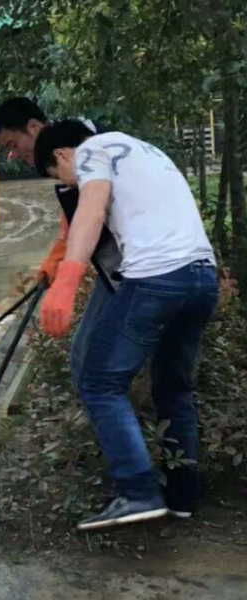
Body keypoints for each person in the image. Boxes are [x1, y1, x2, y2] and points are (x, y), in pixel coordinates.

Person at [34, 120, 219, 530]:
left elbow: (91, 210)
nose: (70, 184)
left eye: (62, 176)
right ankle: (182, 496)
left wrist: (67, 280)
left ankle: (137, 492)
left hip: (156, 278)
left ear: (63, 155)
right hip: (203, 277)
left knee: (98, 381)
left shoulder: (92, 150)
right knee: (174, 388)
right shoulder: (146, 151)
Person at [0, 99, 119, 388]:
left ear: (34, 127)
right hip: (125, 272)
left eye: (12, 144)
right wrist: (53, 266)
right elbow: (72, 225)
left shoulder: (84, 148)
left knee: (89, 360)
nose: (12, 155)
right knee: (88, 355)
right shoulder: (71, 150)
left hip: (137, 271)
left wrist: (66, 280)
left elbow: (90, 218)